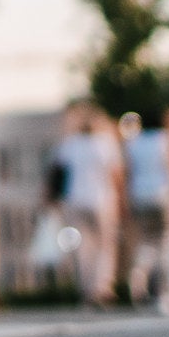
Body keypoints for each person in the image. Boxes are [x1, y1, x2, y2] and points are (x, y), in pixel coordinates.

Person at [122, 108, 169, 314]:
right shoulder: (166, 138)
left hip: (139, 196)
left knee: (147, 240)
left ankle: (138, 280)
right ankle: (168, 292)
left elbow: (128, 172)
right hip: (163, 194)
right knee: (168, 241)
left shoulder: (133, 141)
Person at [50, 104, 121, 307]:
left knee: (82, 247)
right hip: (102, 199)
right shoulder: (106, 143)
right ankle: (102, 287)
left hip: (75, 199)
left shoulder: (71, 144)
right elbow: (116, 175)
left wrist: (53, 198)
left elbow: (57, 172)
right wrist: (122, 200)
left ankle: (87, 289)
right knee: (105, 246)